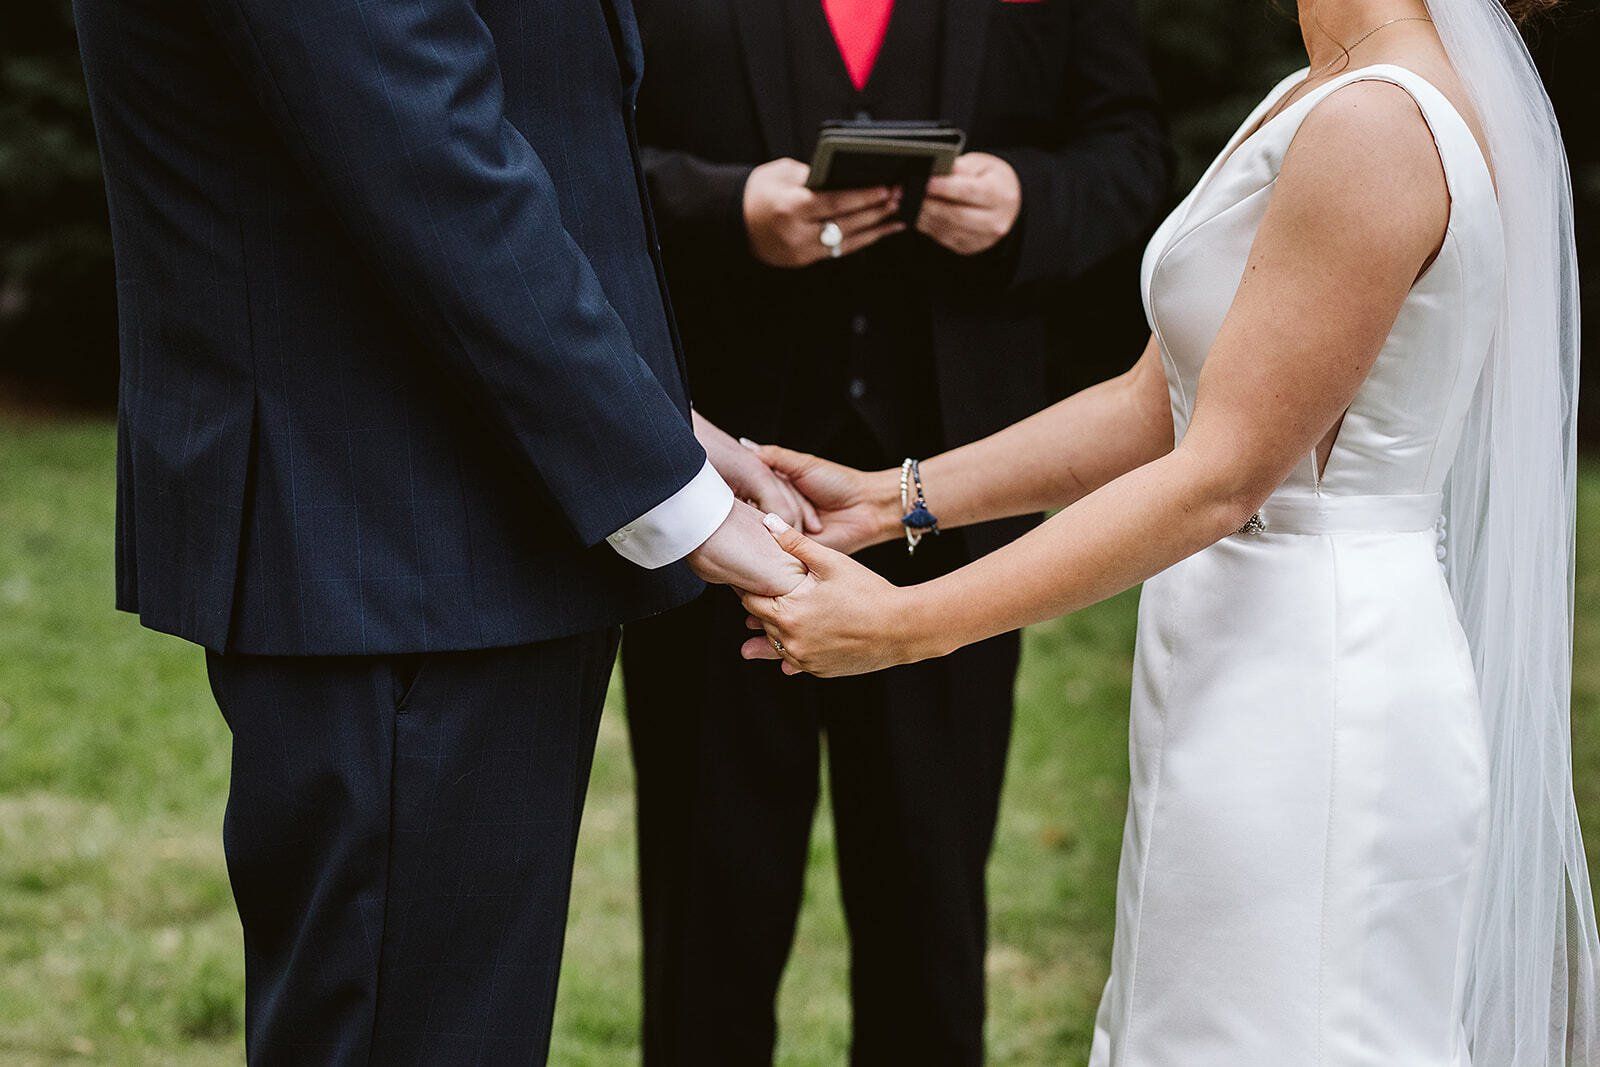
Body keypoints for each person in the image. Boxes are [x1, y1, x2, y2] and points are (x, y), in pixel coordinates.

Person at [741, 0, 1600, 1063]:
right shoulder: (1322, 90)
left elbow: (1223, 475)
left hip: (1314, 681)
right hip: (1232, 658)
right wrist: (896, 497)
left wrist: (906, 625)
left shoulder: (1377, 123)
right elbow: (1163, 400)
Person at [71, 0, 806, 1060]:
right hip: (394, 536)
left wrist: (660, 425)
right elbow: (423, 152)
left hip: (450, 515)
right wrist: (674, 501)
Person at [622, 0, 1167, 1060]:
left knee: (930, 904)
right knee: (704, 914)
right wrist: (724, 206)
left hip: (951, 513)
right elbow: (573, 157)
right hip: (719, 495)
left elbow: (1134, 157)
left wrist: (1027, 202)